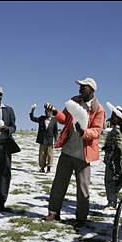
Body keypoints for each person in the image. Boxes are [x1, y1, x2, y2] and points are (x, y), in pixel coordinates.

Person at [42, 77, 106, 229]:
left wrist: (84, 132)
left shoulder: (99, 109)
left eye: (83, 87)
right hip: (68, 150)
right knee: (59, 183)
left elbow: (97, 131)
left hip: (84, 155)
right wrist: (55, 111)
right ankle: (54, 212)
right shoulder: (74, 101)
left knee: (82, 187)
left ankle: (81, 218)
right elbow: (65, 119)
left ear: (91, 90)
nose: (79, 89)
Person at [102, 105, 122, 209]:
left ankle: (112, 202)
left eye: (114, 116)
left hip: (115, 160)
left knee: (110, 181)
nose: (112, 118)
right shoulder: (119, 128)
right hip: (117, 160)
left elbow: (119, 147)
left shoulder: (117, 130)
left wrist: (117, 164)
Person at [29, 103, 58, 173]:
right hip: (42, 139)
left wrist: (56, 139)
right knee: (42, 154)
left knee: (50, 154)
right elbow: (33, 118)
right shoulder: (41, 118)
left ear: (51, 113)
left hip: (50, 140)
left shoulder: (54, 120)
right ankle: (42, 167)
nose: (48, 113)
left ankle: (49, 167)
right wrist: (32, 110)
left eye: (49, 112)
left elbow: (55, 131)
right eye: (46, 112)